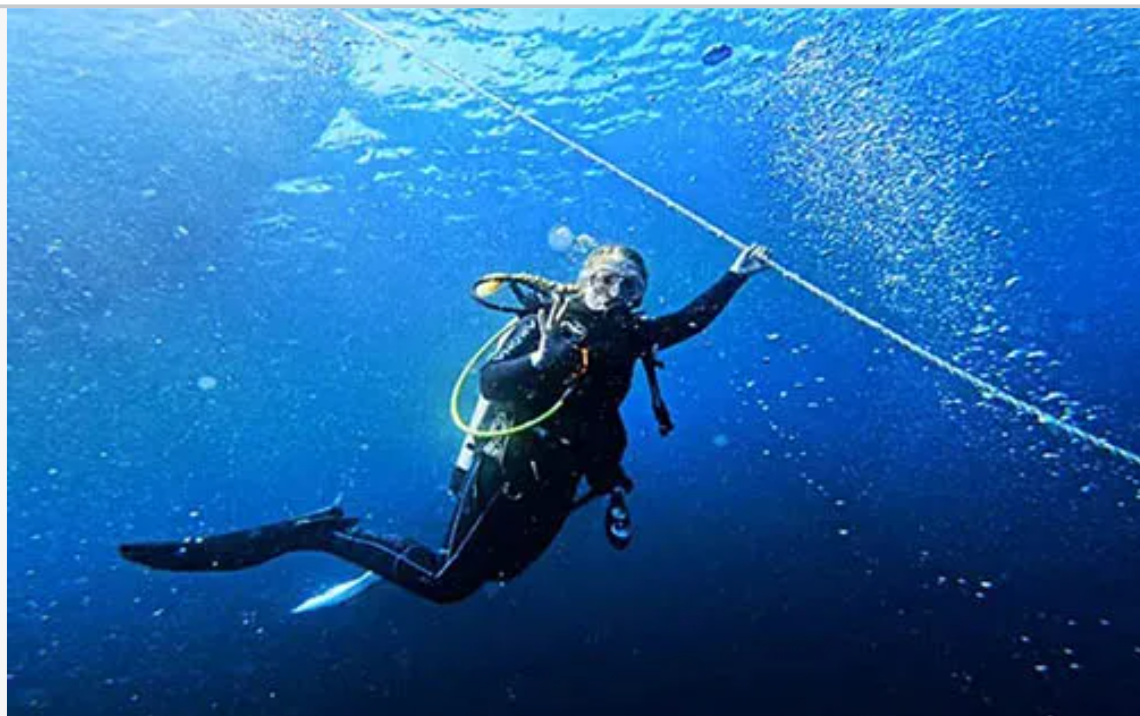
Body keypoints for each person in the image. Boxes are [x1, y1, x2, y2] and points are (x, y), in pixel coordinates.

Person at [119, 243, 771, 604]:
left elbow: (688, 322)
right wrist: (542, 357)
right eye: (606, 280)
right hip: (510, 473)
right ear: (583, 280)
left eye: (631, 286)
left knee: (498, 575)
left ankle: (346, 536)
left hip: (563, 478)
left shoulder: (632, 334)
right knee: (447, 584)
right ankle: (318, 534)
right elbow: (491, 383)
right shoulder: (547, 322)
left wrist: (736, 275)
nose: (617, 294)